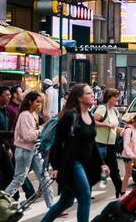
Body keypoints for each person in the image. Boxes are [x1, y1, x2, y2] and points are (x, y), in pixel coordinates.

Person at [39, 84, 107, 222]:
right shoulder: (70, 116)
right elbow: (57, 143)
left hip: (86, 164)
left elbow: (92, 143)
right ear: (80, 98)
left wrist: (102, 164)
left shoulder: (89, 116)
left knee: (66, 202)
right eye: (88, 93)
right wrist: (56, 167)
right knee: (85, 195)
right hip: (72, 164)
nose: (93, 95)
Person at [2, 91, 55, 209]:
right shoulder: (25, 115)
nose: (39, 104)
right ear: (30, 101)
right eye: (37, 101)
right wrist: (43, 129)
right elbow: (28, 136)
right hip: (24, 151)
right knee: (19, 179)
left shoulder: (34, 114)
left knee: (44, 177)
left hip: (33, 150)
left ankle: (52, 207)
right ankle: (2, 204)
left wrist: (42, 127)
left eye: (41, 102)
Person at [94, 88, 124, 198]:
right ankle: (85, 189)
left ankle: (120, 191)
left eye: (117, 96)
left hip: (111, 144)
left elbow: (115, 127)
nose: (117, 98)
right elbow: (93, 121)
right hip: (100, 144)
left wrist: (122, 131)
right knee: (98, 169)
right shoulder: (102, 108)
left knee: (114, 169)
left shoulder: (115, 111)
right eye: (115, 96)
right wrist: (106, 125)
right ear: (109, 98)